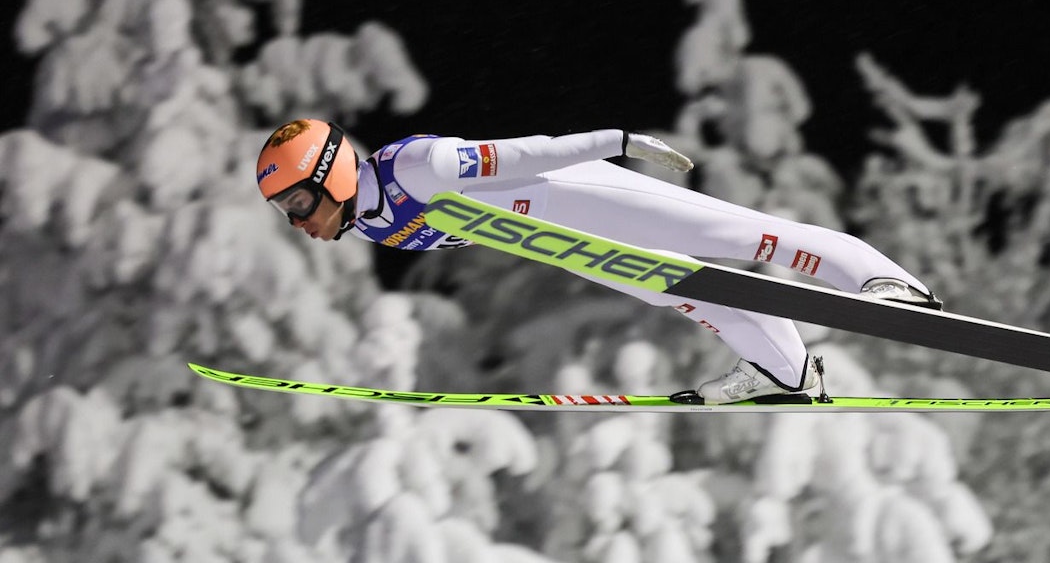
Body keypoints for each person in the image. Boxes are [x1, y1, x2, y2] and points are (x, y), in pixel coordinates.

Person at [254, 119, 941, 404]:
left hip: (580, 195)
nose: (298, 221)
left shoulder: (415, 166)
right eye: (286, 210)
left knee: (740, 235)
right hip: (565, 242)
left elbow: (525, 155)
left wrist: (614, 141)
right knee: (690, 293)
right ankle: (786, 373)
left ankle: (886, 282)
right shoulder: (374, 226)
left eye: (298, 200)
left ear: (330, 172)